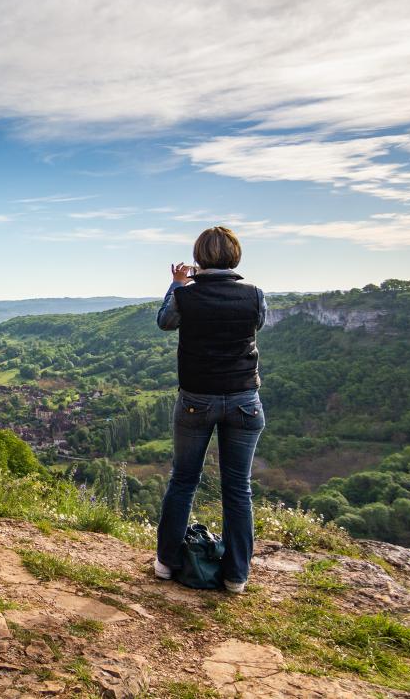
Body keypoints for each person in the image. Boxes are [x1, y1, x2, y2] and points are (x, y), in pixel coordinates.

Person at [154, 225, 267, 593]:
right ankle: (236, 576)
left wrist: (178, 284)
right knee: (238, 488)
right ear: (235, 256)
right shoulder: (254, 294)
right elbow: (257, 324)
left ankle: (167, 564)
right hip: (243, 399)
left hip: (196, 400)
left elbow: (164, 322)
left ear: (199, 257)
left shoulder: (187, 295)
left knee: (184, 480)